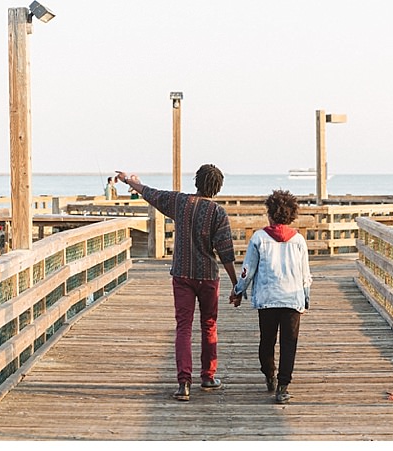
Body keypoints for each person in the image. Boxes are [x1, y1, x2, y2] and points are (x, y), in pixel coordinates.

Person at [115, 164, 238, 402]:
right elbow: (226, 253)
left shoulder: (180, 203)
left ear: (196, 182)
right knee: (209, 325)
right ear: (218, 188)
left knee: (183, 327)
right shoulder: (217, 213)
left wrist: (130, 181)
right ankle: (208, 376)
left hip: (182, 274)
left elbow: (150, 193)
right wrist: (236, 285)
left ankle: (184, 383)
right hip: (208, 276)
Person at [230, 189, 312, 404]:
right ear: (291, 215)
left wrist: (238, 291)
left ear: (271, 214)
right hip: (292, 299)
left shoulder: (259, 238)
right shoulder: (299, 241)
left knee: (267, 341)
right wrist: (305, 299)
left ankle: (269, 374)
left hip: (267, 299)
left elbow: (248, 270)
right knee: (289, 343)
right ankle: (283, 387)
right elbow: (306, 275)